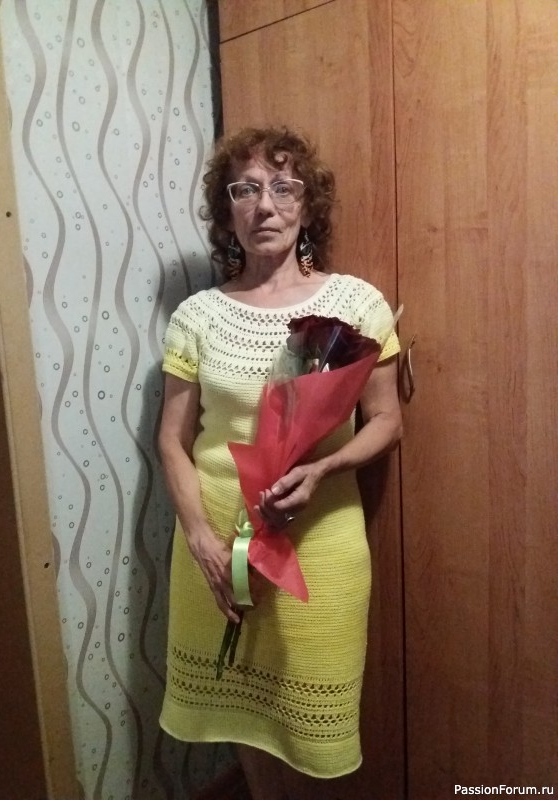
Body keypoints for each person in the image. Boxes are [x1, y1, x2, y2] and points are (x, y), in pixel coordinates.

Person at [158, 126, 402, 800]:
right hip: (216, 548)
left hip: (319, 546)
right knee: (243, 717)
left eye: (283, 187)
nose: (264, 205)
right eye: (245, 189)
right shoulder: (196, 315)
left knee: (313, 719)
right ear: (227, 208)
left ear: (307, 205)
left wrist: (323, 470)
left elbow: (387, 421)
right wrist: (202, 541)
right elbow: (171, 440)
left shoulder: (356, 304)